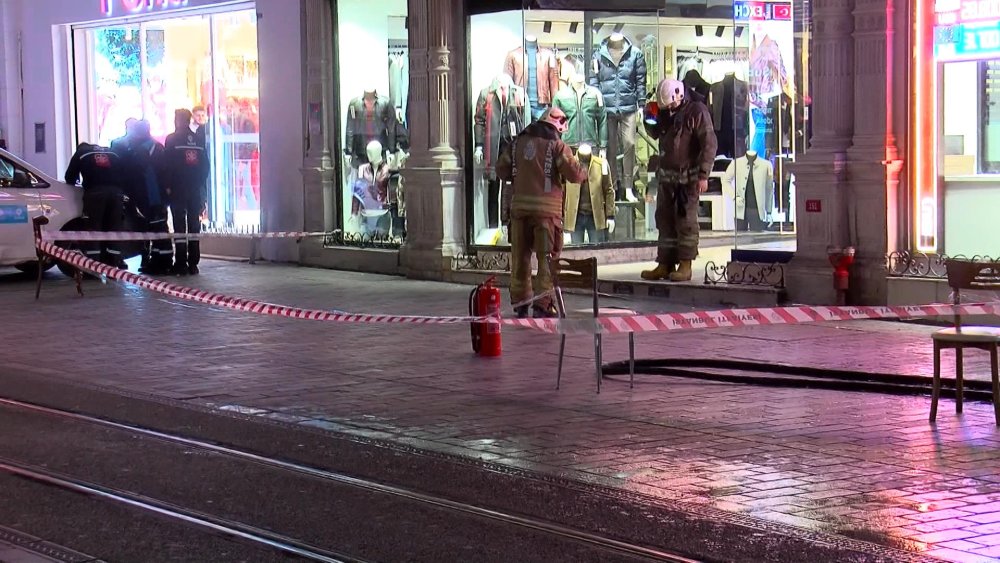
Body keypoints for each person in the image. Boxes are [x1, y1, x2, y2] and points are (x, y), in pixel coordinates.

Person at [495, 106, 587, 319]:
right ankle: (543, 304)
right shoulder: (557, 146)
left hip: (519, 213)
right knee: (547, 260)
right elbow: (573, 174)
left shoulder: (517, 143)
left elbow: (501, 169)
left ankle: (520, 302)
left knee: (520, 259)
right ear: (557, 124)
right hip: (547, 214)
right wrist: (583, 168)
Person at [641, 78, 718, 282]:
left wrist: (703, 175)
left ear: (679, 94)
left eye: (671, 104)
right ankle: (665, 263)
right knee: (664, 221)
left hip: (688, 180)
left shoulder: (697, 111)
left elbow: (709, 144)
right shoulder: (667, 110)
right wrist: (650, 117)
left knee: (686, 223)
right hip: (667, 179)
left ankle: (686, 264)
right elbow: (655, 133)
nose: (670, 108)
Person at [114, 119, 171, 274]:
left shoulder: (140, 150)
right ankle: (160, 261)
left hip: (150, 197)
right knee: (158, 229)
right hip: (156, 196)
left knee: (156, 228)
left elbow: (133, 175)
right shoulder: (156, 147)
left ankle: (160, 262)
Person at [64, 142, 127, 267]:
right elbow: (126, 172)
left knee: (93, 228)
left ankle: (94, 265)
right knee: (114, 227)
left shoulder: (81, 153)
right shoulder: (112, 152)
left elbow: (70, 177)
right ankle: (114, 263)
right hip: (117, 194)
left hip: (95, 194)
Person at [163, 109, 210, 276]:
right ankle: (194, 264)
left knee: (179, 225)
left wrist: (168, 185)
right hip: (195, 189)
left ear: (177, 120)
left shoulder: (172, 139)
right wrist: (199, 185)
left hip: (178, 188)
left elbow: (167, 165)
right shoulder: (198, 139)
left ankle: (181, 263)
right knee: (194, 226)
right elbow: (205, 167)